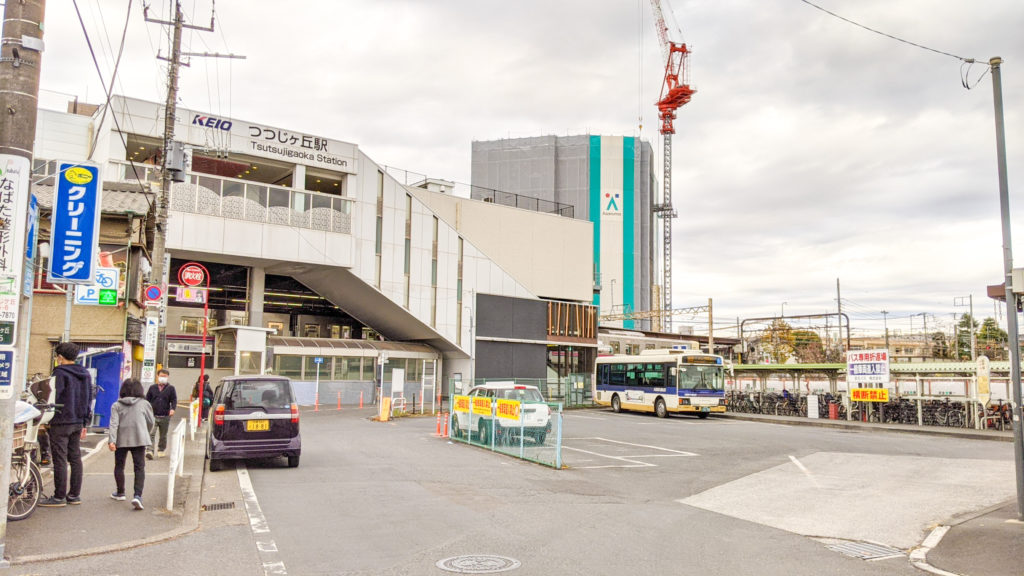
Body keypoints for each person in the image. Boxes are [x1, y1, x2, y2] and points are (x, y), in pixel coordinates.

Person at [39, 342, 93, 507]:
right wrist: (85, 421)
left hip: (61, 421)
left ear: (60, 357)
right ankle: (74, 495)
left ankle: (58, 497)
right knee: (75, 457)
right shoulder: (85, 373)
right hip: (78, 420)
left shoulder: (60, 373)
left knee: (60, 458)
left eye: (57, 357)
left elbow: (52, 397)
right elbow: (88, 398)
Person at [108, 378, 154, 511]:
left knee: (119, 465)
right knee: (139, 467)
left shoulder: (116, 405)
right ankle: (137, 496)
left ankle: (120, 492)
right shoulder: (144, 404)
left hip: (121, 440)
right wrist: (145, 432)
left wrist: (112, 440)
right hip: (139, 439)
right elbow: (151, 421)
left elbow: (113, 424)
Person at [145, 368, 177, 459]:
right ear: (157, 376)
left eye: (165, 376)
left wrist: (173, 409)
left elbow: (174, 400)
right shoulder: (152, 388)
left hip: (165, 415)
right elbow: (147, 400)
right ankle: (149, 450)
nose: (163, 378)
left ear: (168, 377)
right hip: (153, 415)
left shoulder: (171, 388)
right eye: (161, 376)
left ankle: (161, 449)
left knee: (163, 435)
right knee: (151, 433)